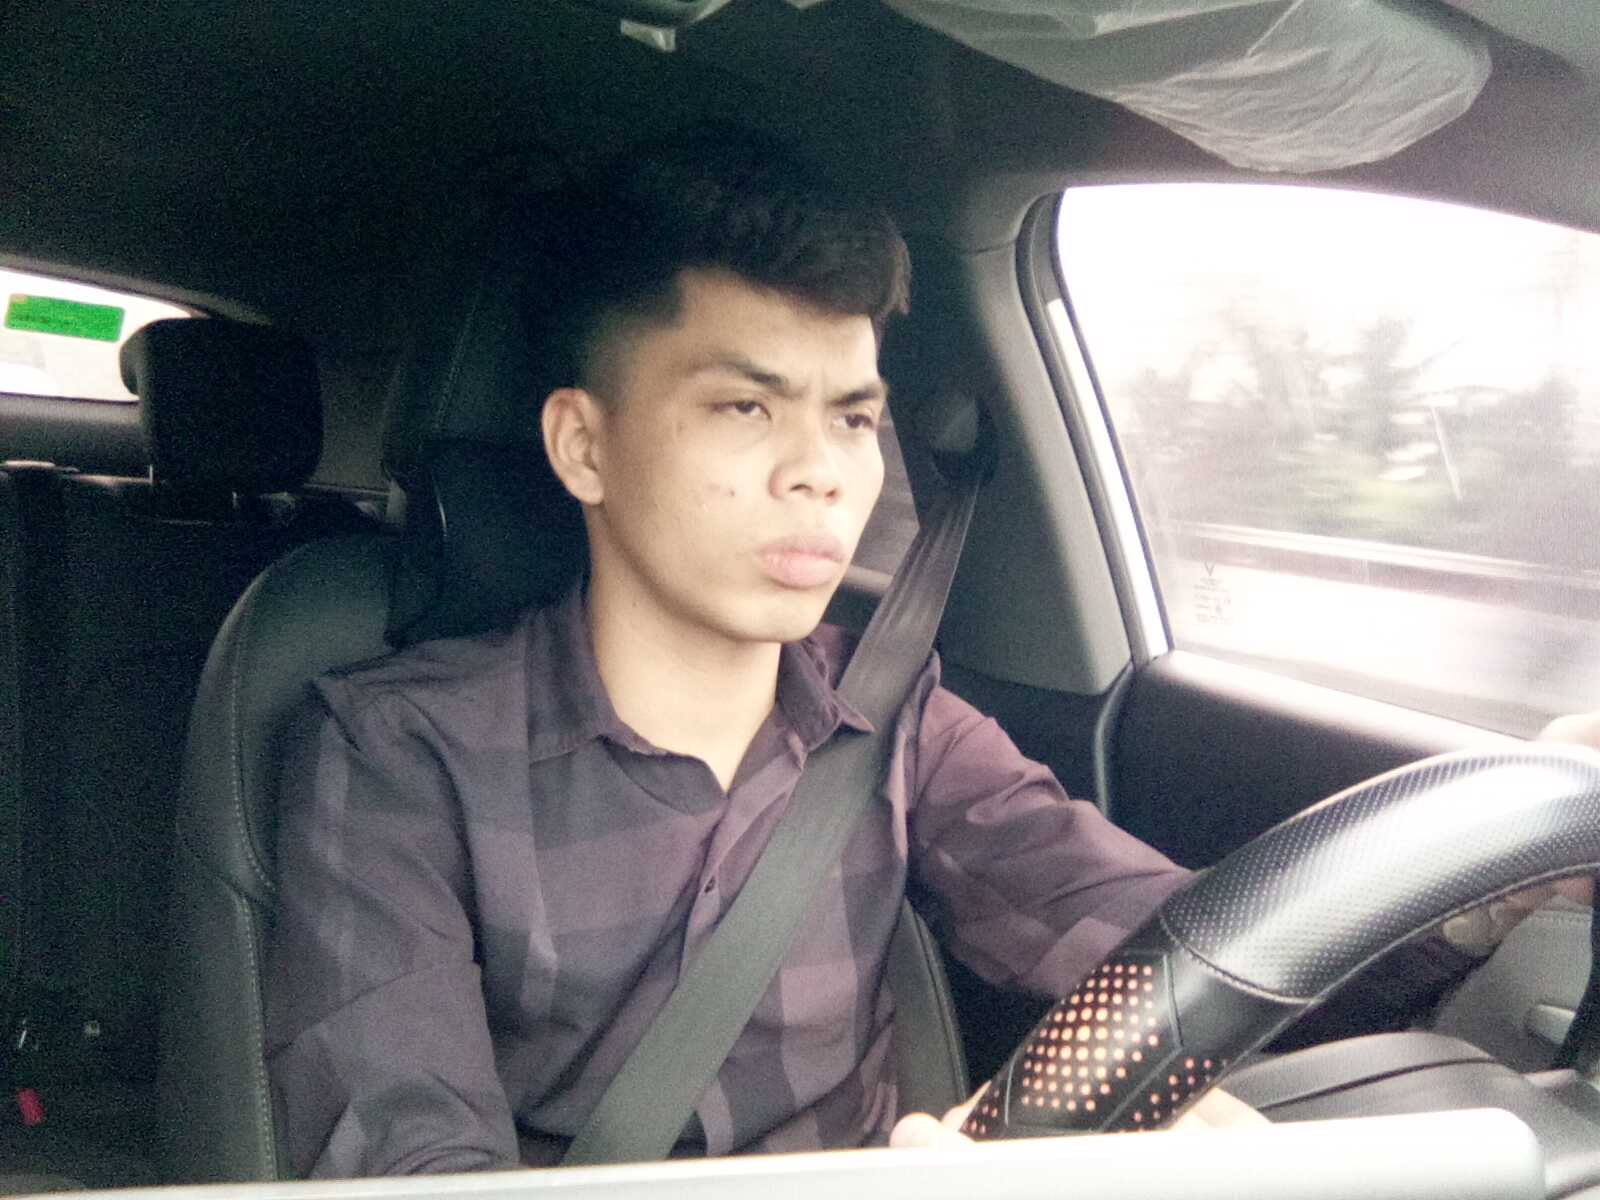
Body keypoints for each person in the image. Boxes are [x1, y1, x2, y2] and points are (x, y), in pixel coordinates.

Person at [262, 130, 1593, 1177]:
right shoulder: (395, 753)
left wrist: (1486, 888)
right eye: (744, 408)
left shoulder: (892, 714)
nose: (822, 474)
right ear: (583, 445)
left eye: (853, 418)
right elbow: (410, 1167)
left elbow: (1176, 953)